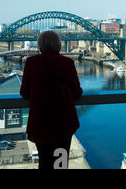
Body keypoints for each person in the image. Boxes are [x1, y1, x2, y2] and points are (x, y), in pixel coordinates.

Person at [20, 31, 83, 169]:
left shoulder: (31, 63)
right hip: (63, 124)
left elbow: (24, 93)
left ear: (40, 44)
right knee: (60, 163)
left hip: (41, 124)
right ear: (58, 44)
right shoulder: (68, 62)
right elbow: (77, 93)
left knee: (44, 162)